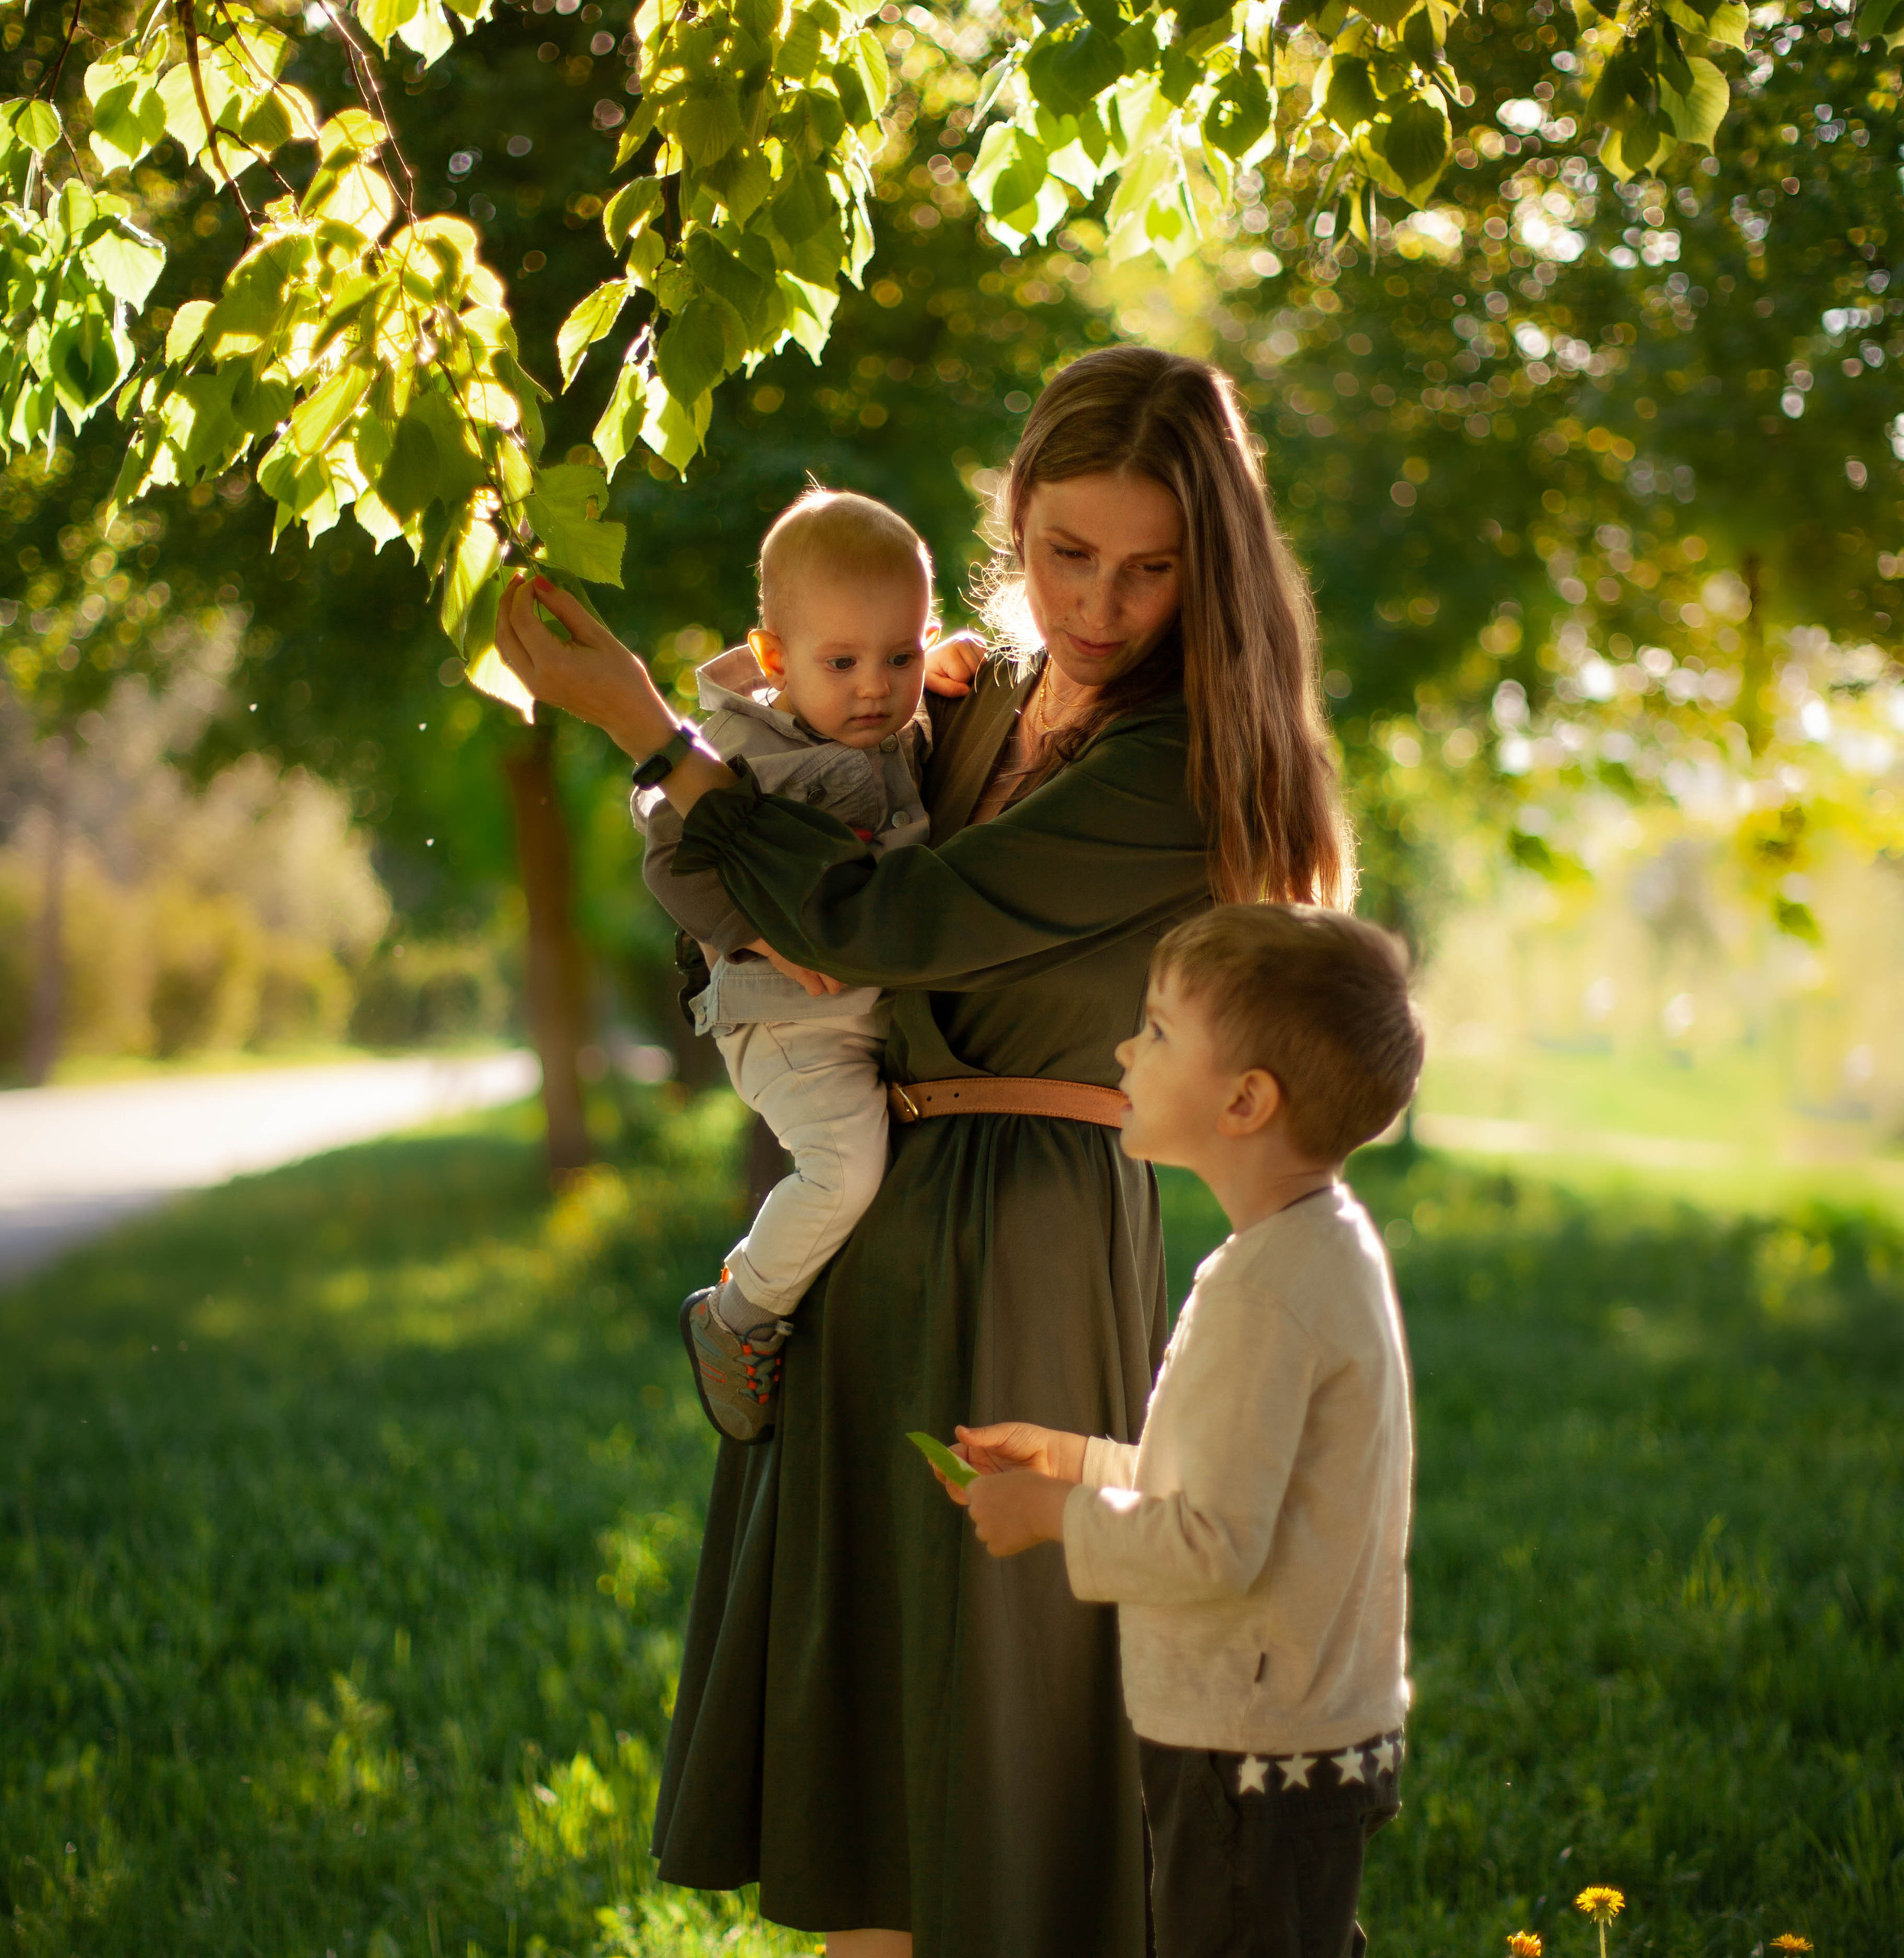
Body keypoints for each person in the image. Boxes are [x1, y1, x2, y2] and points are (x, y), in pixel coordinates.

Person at [490, 345, 1350, 1958]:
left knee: (1000, 1723)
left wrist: (650, 736)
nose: (1097, 602)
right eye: (1063, 552)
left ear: (1208, 564)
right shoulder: (975, 697)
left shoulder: (1167, 760)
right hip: (877, 1209)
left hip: (1023, 1234)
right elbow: (796, 860)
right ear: (1010, 525)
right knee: (871, 1745)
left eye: (1149, 566)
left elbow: (894, 921)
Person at [939, 903, 1424, 1958]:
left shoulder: (1266, 1292)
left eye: (1157, 1031)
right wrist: (1077, 1459)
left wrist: (1057, 1512)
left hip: (1248, 1754)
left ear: (1246, 1100)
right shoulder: (1316, 1249)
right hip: (1302, 1735)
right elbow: (1239, 1487)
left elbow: (1213, 1542)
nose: (1124, 1045)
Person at [636, 488, 939, 1444]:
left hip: (861, 1012)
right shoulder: (740, 751)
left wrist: (953, 664)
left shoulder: (888, 730)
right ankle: (737, 1315)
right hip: (781, 1015)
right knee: (844, 1170)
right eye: (841, 662)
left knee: (890, 1172)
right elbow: (666, 855)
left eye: (902, 656)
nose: (874, 687)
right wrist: (753, 932)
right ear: (773, 660)